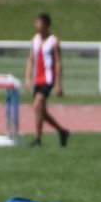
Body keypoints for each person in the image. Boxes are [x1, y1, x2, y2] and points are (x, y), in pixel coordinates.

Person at [25, 13, 70, 148]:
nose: (36, 26)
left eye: (39, 23)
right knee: (41, 111)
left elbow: (58, 63)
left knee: (37, 105)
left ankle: (37, 139)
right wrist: (28, 78)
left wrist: (58, 85)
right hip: (37, 79)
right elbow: (31, 60)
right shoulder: (34, 40)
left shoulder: (53, 41)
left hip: (48, 78)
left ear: (46, 25)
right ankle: (62, 131)